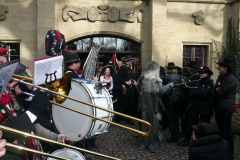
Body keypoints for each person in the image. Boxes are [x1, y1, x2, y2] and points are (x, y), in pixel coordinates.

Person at [137, 61, 174, 153]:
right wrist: (170, 86)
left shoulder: (142, 78)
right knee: (154, 125)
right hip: (152, 107)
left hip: (143, 106)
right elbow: (161, 90)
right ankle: (153, 145)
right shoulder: (154, 80)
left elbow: (138, 89)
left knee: (145, 124)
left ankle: (144, 143)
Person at [211, 58, 237, 158]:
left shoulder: (231, 78)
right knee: (221, 129)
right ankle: (223, 151)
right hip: (219, 106)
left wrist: (216, 92)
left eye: (220, 67)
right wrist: (215, 91)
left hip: (227, 107)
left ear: (225, 68)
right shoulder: (221, 77)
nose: (218, 68)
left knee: (226, 130)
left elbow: (222, 92)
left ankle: (230, 154)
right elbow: (215, 89)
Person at [177, 61, 200, 146]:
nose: (186, 68)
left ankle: (188, 139)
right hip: (187, 102)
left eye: (188, 67)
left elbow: (189, 88)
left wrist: (184, 84)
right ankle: (188, 137)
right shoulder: (191, 76)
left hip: (192, 103)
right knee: (188, 121)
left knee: (191, 122)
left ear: (191, 68)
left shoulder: (196, 76)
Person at [162, 62, 183, 143]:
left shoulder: (166, 77)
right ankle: (177, 134)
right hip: (178, 100)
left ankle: (174, 136)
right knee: (176, 118)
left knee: (171, 119)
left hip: (170, 100)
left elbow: (163, 88)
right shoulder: (179, 76)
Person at [117, 55, 137, 125]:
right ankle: (118, 119)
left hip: (131, 88)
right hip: (124, 88)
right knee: (123, 104)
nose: (131, 62)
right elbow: (118, 77)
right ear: (126, 61)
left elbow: (131, 77)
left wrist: (134, 81)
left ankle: (129, 119)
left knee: (131, 104)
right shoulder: (123, 67)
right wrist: (126, 82)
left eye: (131, 60)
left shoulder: (130, 68)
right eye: (130, 60)